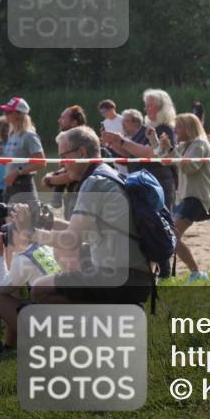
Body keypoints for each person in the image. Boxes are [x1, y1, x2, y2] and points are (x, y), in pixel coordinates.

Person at [30, 126, 153, 305]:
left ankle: (89, 327)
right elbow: (88, 231)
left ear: (81, 152)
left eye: (64, 156)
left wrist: (29, 234)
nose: (61, 163)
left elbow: (71, 239)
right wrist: (50, 222)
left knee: (39, 289)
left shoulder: (94, 183)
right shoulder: (109, 174)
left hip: (120, 277)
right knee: (78, 261)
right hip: (140, 275)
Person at [0, 204, 61, 362]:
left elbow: (3, 288)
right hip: (60, 323)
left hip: (47, 330)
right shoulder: (43, 248)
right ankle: (10, 348)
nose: (6, 238)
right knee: (17, 293)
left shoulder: (23, 260)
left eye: (9, 234)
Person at [157, 113, 210, 283]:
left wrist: (171, 150)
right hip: (185, 197)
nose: (175, 130)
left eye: (179, 127)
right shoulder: (185, 145)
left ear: (189, 128)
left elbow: (189, 167)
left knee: (171, 235)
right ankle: (195, 272)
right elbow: (165, 161)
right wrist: (160, 144)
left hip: (196, 197)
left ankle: (196, 272)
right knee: (170, 236)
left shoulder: (200, 144)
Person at [100, 92, 177, 210]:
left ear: (162, 107)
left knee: (160, 224)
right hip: (141, 183)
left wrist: (121, 141)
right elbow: (129, 154)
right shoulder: (145, 128)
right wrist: (112, 142)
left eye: (149, 105)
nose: (146, 109)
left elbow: (149, 154)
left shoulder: (165, 129)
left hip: (158, 185)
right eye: (146, 105)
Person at [0, 97, 45, 215]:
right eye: (5, 111)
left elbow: (41, 163)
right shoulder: (12, 134)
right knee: (10, 227)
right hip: (10, 187)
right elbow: (10, 162)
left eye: (8, 112)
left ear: (19, 114)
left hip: (23, 185)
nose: (5, 114)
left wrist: (17, 172)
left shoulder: (29, 135)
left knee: (28, 227)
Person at [42, 105, 88, 220]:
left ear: (74, 122)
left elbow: (73, 174)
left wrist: (50, 179)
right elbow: (66, 169)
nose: (59, 121)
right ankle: (56, 200)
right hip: (73, 195)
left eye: (63, 118)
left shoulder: (82, 141)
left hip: (83, 196)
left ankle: (56, 200)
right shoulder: (68, 140)